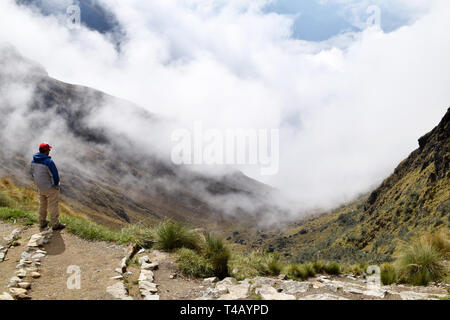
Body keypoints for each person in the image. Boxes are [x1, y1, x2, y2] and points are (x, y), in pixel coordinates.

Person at [30, 143, 66, 230]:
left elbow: (32, 173)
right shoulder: (49, 162)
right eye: (49, 150)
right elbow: (55, 175)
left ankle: (42, 222)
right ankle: (55, 224)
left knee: (42, 205)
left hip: (40, 187)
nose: (49, 151)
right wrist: (56, 185)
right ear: (46, 151)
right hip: (50, 188)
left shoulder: (33, 161)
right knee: (53, 205)